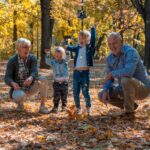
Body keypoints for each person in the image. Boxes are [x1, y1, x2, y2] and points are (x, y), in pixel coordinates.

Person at [98, 32, 150, 116]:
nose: (112, 46)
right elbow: (109, 79)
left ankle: (129, 113)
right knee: (101, 94)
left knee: (125, 79)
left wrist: (112, 74)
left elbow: (128, 72)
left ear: (121, 42)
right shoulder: (109, 58)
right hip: (124, 88)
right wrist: (106, 89)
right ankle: (131, 106)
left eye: (114, 43)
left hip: (142, 89)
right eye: (109, 44)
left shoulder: (131, 52)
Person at [5, 38, 49, 114]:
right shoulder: (12, 60)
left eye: (28, 47)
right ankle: (20, 104)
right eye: (25, 47)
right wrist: (12, 83)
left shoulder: (32, 58)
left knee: (43, 79)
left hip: (31, 87)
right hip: (18, 89)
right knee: (19, 96)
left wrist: (31, 78)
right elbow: (7, 77)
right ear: (18, 48)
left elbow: (35, 72)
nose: (27, 49)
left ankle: (42, 106)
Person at [65, 26, 96, 115]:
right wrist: (67, 47)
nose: (80, 40)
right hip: (76, 73)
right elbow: (72, 48)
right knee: (75, 92)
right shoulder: (78, 48)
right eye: (79, 38)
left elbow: (93, 40)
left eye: (83, 38)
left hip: (85, 73)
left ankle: (88, 107)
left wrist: (93, 30)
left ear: (87, 40)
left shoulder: (89, 49)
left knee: (85, 91)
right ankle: (78, 108)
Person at [45, 47, 70, 113]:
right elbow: (47, 61)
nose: (59, 57)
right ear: (54, 56)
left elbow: (68, 57)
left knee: (64, 95)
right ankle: (55, 107)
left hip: (64, 82)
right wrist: (47, 54)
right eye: (57, 56)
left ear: (63, 56)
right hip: (56, 82)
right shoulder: (53, 62)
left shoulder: (65, 62)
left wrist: (67, 51)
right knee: (56, 95)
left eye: (61, 56)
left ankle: (64, 106)